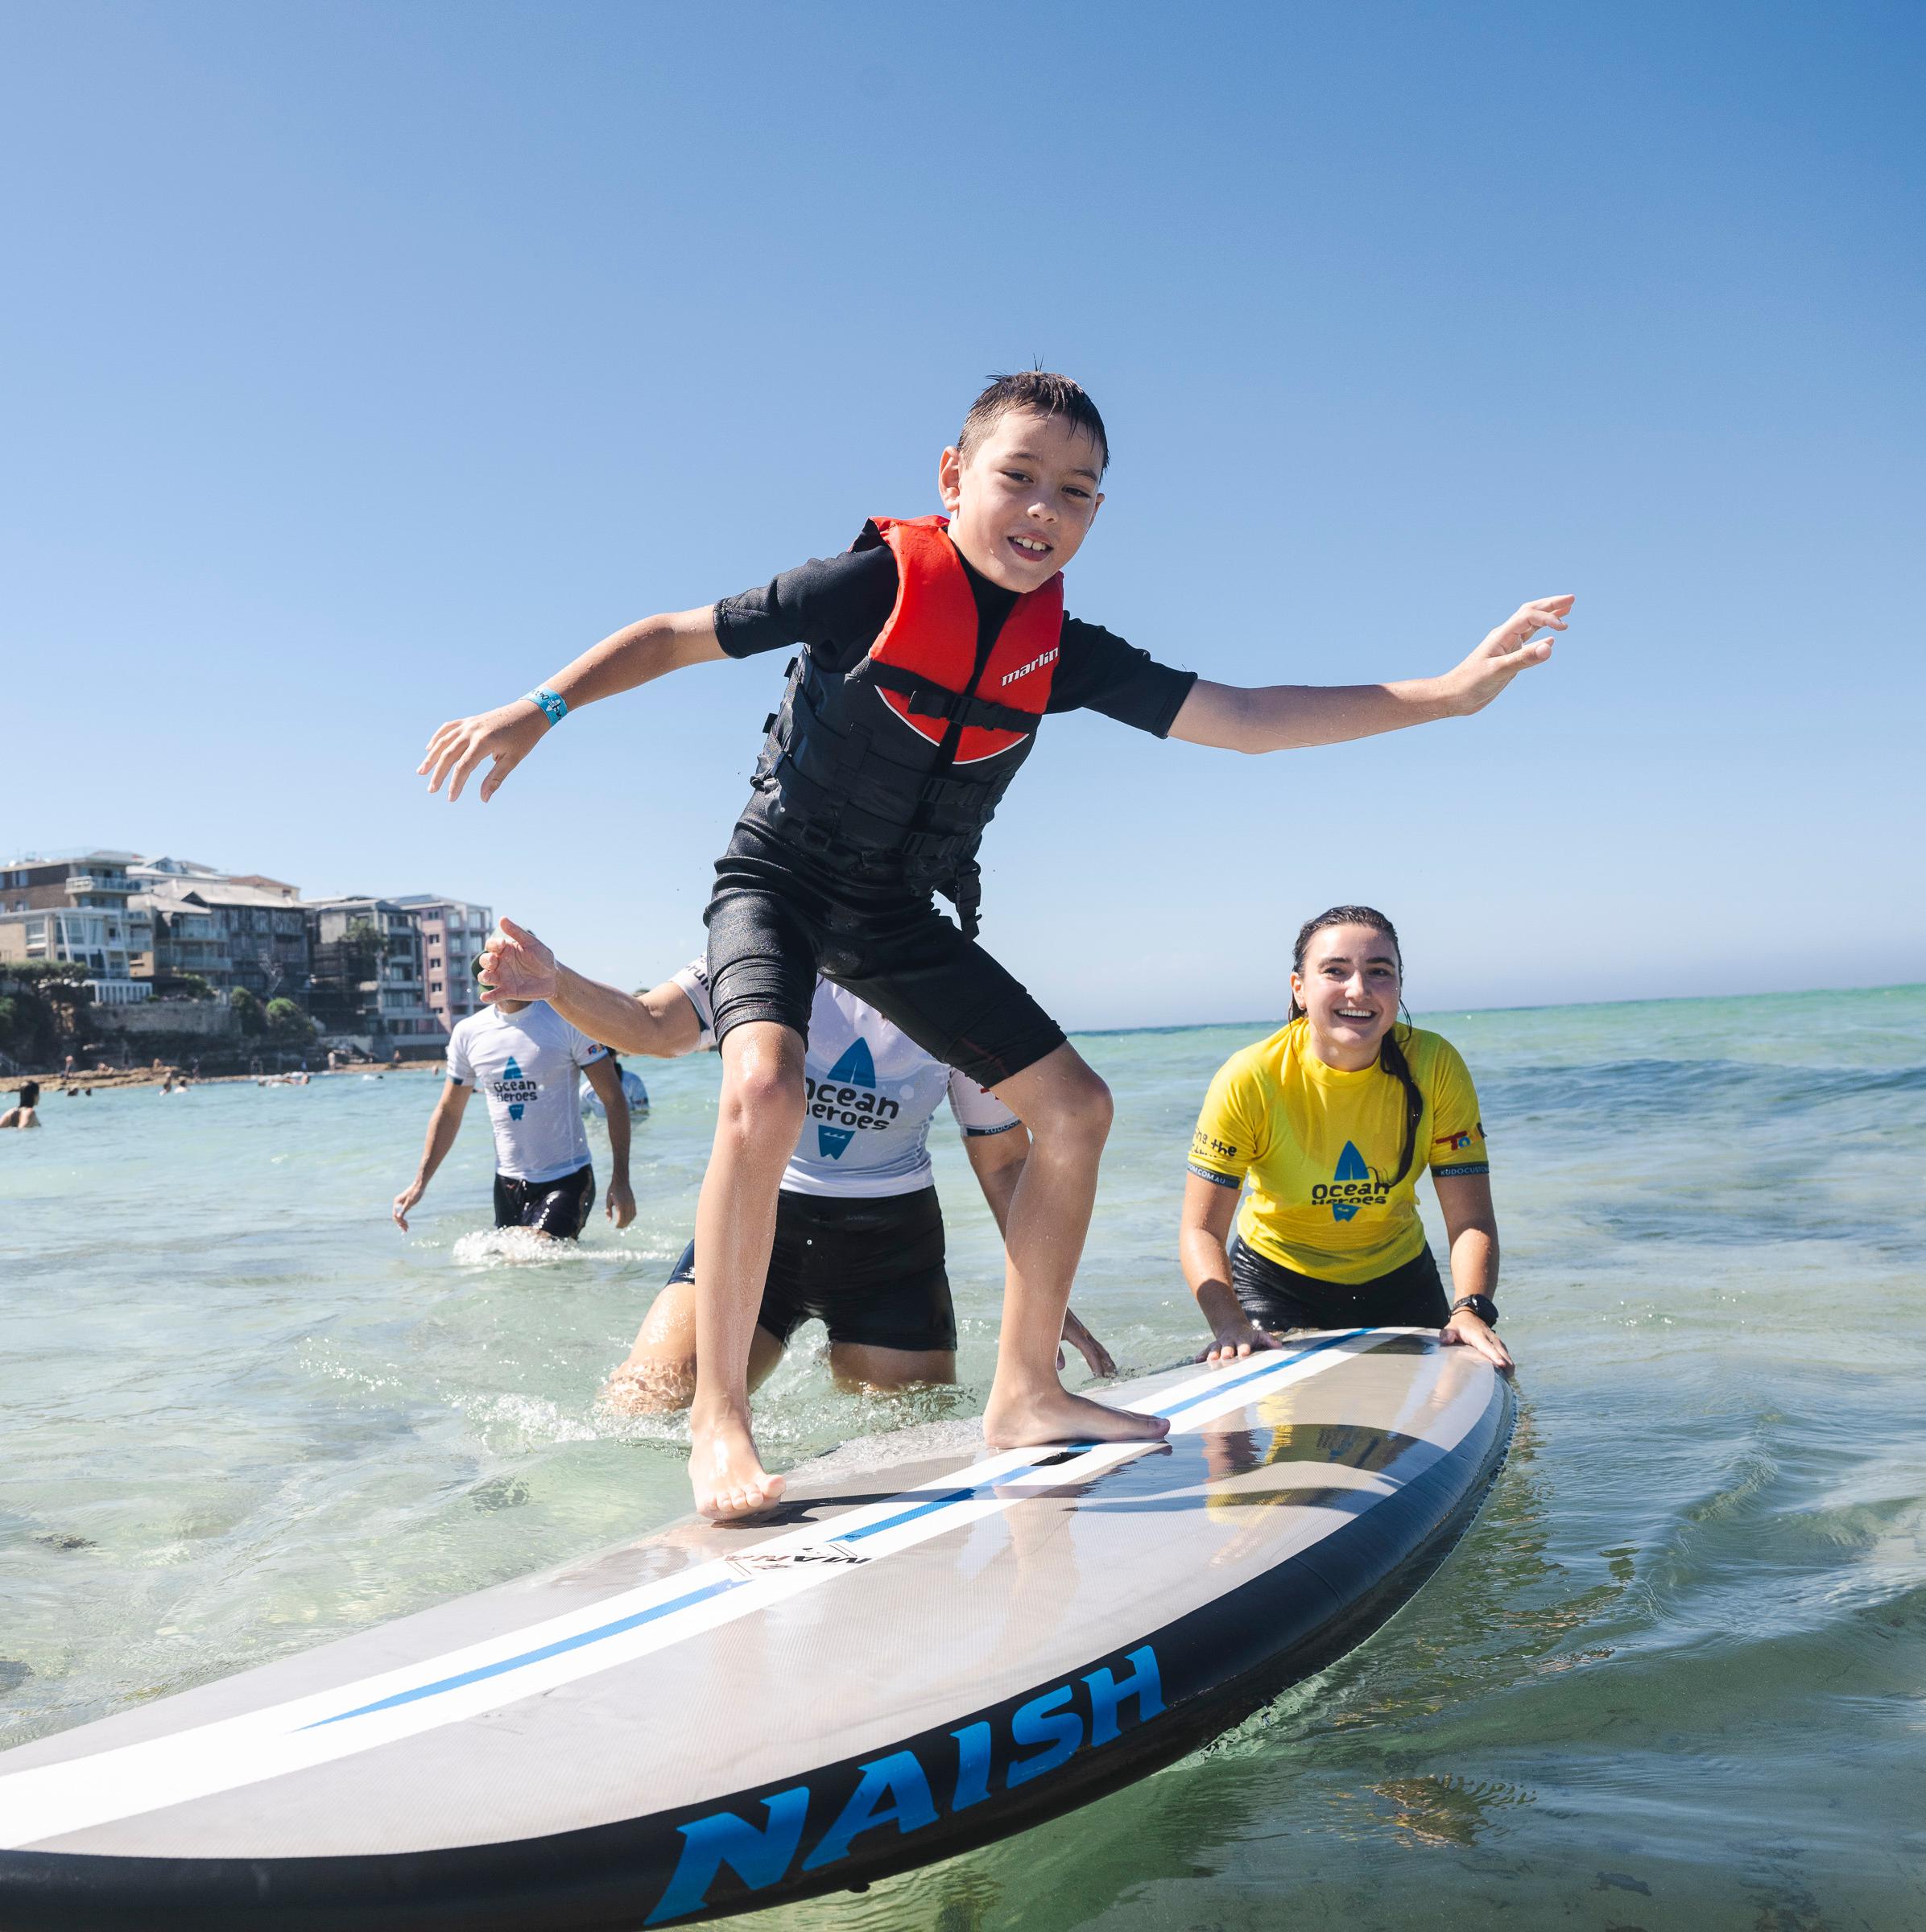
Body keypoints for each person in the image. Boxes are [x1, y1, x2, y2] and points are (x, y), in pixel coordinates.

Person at [420, 370, 1567, 1516]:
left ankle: (1025, 1393)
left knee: (1077, 1109)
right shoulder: (871, 584)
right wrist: (538, 708)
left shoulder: (1060, 650)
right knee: (763, 1083)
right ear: (953, 477)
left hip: (894, 915)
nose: (1043, 509)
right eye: (1019, 477)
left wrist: (1447, 694)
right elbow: (675, 637)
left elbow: (1248, 718)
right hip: (778, 884)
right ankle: (720, 1421)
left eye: (1077, 491)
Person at [473, 921, 1115, 1406]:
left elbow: (1004, 1165)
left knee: (915, 1438)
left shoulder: (952, 985)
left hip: (890, 1249)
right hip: (760, 1223)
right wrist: (558, 985)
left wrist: (1044, 1303)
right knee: (641, 1405)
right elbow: (651, 1023)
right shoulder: (761, 947)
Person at [1180, 906, 1512, 1371]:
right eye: (1335, 971)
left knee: (1484, 1376)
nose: (1358, 990)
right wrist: (1230, 1325)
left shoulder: (1435, 1065)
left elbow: (1471, 1218)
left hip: (1400, 1277)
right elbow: (1201, 1229)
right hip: (1274, 1281)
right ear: (1299, 989)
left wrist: (1471, 1310)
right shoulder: (1250, 1078)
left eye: (1379, 972)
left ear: (1399, 987)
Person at [392, 992, 636, 1240]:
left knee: (535, 1251)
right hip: (507, 1184)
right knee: (513, 1260)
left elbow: (613, 1099)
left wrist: (621, 1179)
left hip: (568, 1177)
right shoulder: (468, 1032)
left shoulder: (568, 1021)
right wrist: (420, 1182)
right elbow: (449, 1112)